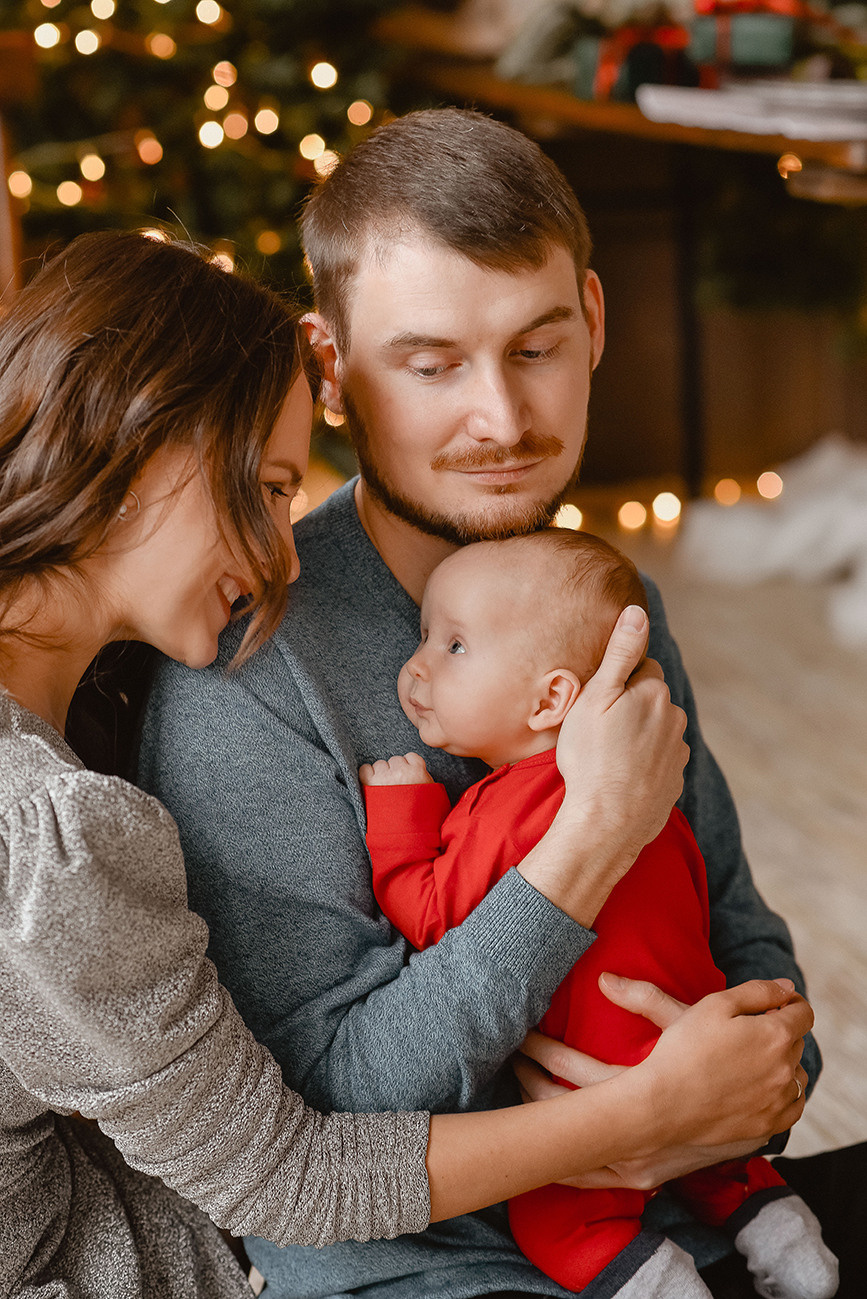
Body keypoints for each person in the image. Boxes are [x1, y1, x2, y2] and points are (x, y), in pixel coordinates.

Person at [0, 231, 812, 1299]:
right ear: (148, 442)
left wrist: (747, 1083)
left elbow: (732, 938)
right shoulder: (56, 835)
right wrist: (647, 1111)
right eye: (268, 486)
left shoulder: (93, 698)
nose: (283, 553)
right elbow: (294, 1177)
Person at [361, 529, 838, 1299]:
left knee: (560, 1220)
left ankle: (655, 1281)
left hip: (594, 1095)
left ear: (551, 698)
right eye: (423, 635)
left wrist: (400, 813)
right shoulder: (654, 784)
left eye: (452, 646)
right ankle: (782, 1232)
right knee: (722, 1164)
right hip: (704, 1038)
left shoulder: (506, 809)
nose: (414, 667)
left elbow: (430, 918)